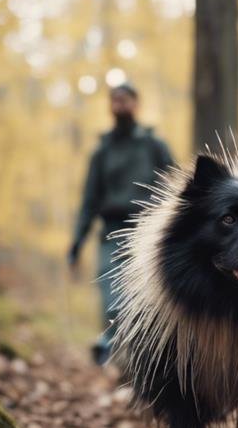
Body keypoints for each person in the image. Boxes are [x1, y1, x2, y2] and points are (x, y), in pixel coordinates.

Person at [69, 83, 174, 365]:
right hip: (111, 233)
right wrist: (76, 244)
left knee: (146, 299)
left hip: (148, 233)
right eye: (114, 101)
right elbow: (89, 200)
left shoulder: (154, 145)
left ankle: (143, 359)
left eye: (124, 100)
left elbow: (176, 188)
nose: (119, 106)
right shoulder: (101, 152)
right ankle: (114, 347)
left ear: (136, 104)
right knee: (110, 295)